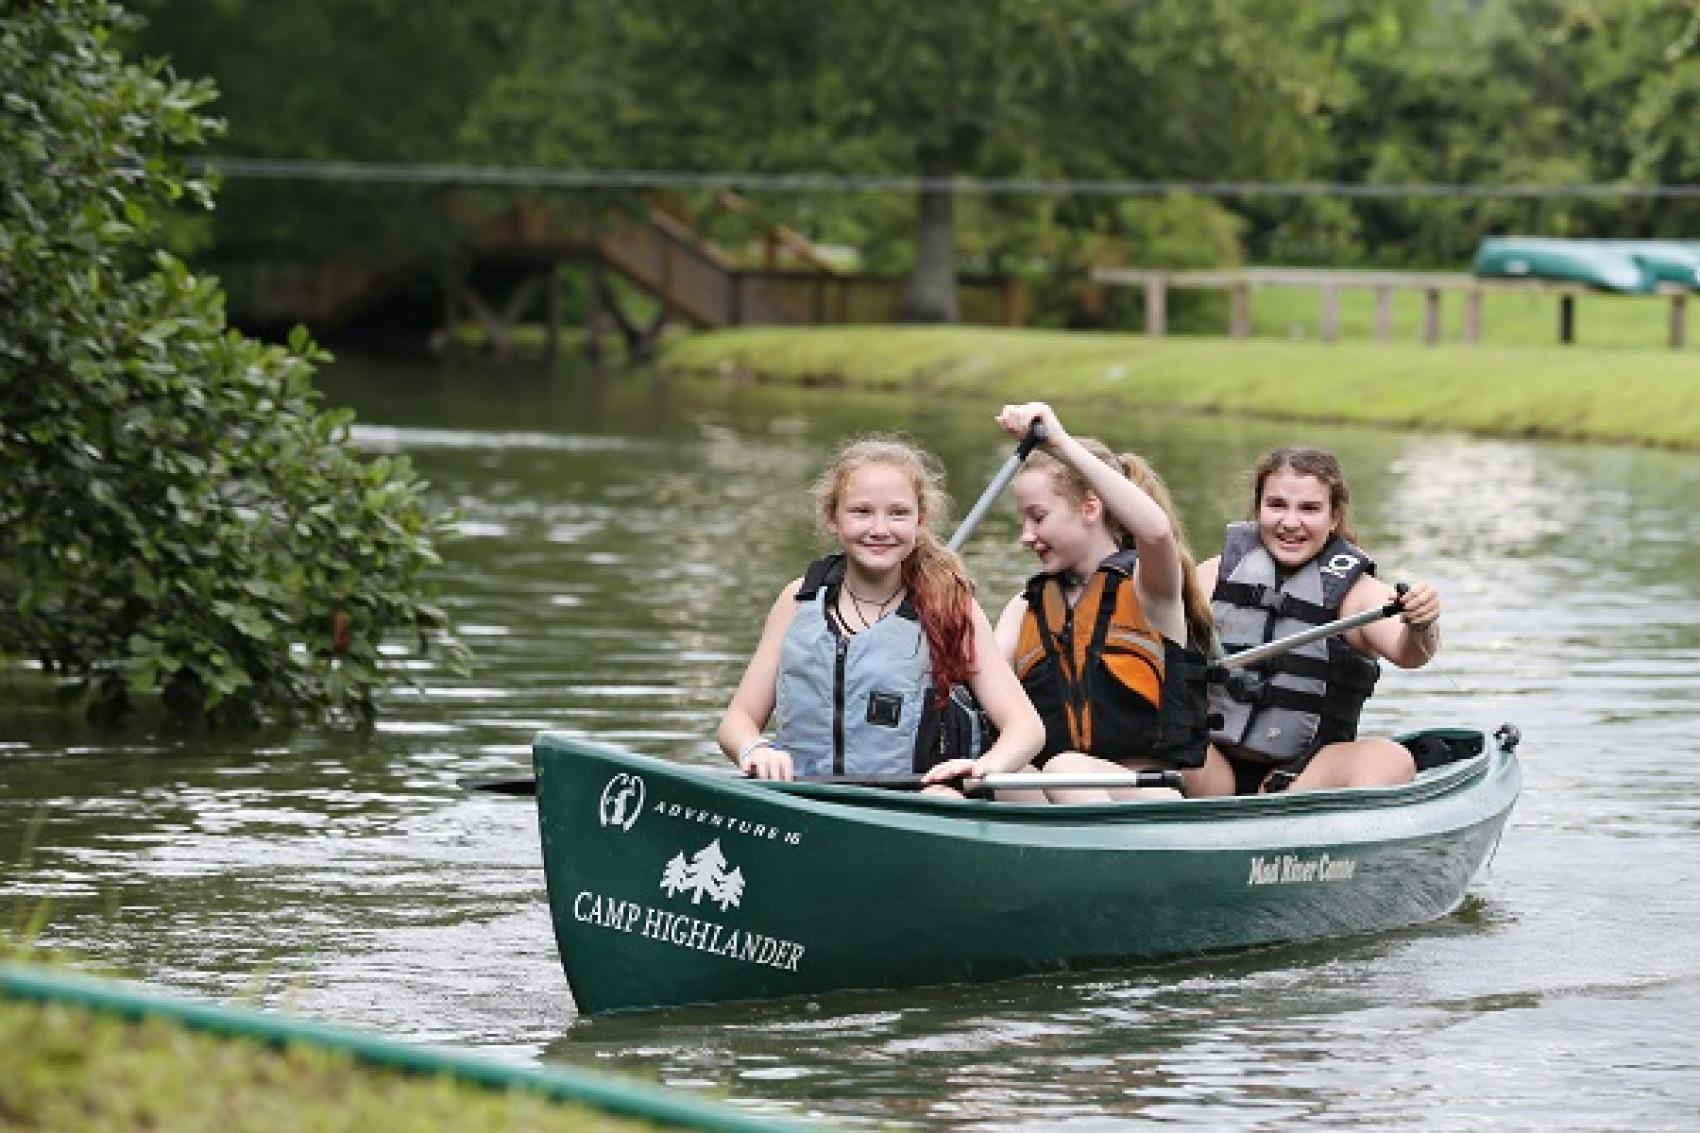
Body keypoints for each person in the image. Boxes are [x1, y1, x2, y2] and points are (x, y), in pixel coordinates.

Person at [717, 436, 1044, 790]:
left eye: (898, 513)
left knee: (940, 799)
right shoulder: (798, 600)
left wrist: (983, 769)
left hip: (910, 802)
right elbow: (738, 720)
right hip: (802, 797)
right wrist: (755, 748)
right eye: (861, 512)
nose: (880, 529)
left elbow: (1026, 729)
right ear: (832, 519)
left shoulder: (948, 604)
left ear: (921, 520)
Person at [990, 403, 1230, 801]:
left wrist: (1060, 443)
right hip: (1065, 788)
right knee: (1005, 780)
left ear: (1090, 507)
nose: (1026, 536)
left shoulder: (1148, 585)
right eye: (1023, 521)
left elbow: (1156, 533)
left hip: (1155, 792)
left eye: (1038, 517)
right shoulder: (1025, 606)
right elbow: (985, 680)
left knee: (1063, 769)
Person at [1199, 445, 1442, 793]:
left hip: (1306, 777)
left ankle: (1294, 822)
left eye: (1309, 509)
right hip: (1213, 769)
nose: (1290, 522)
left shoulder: (1359, 593)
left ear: (1334, 517)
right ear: (1258, 509)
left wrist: (1421, 623)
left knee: (1391, 760)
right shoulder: (1213, 576)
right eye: (1277, 505)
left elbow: (1410, 653)